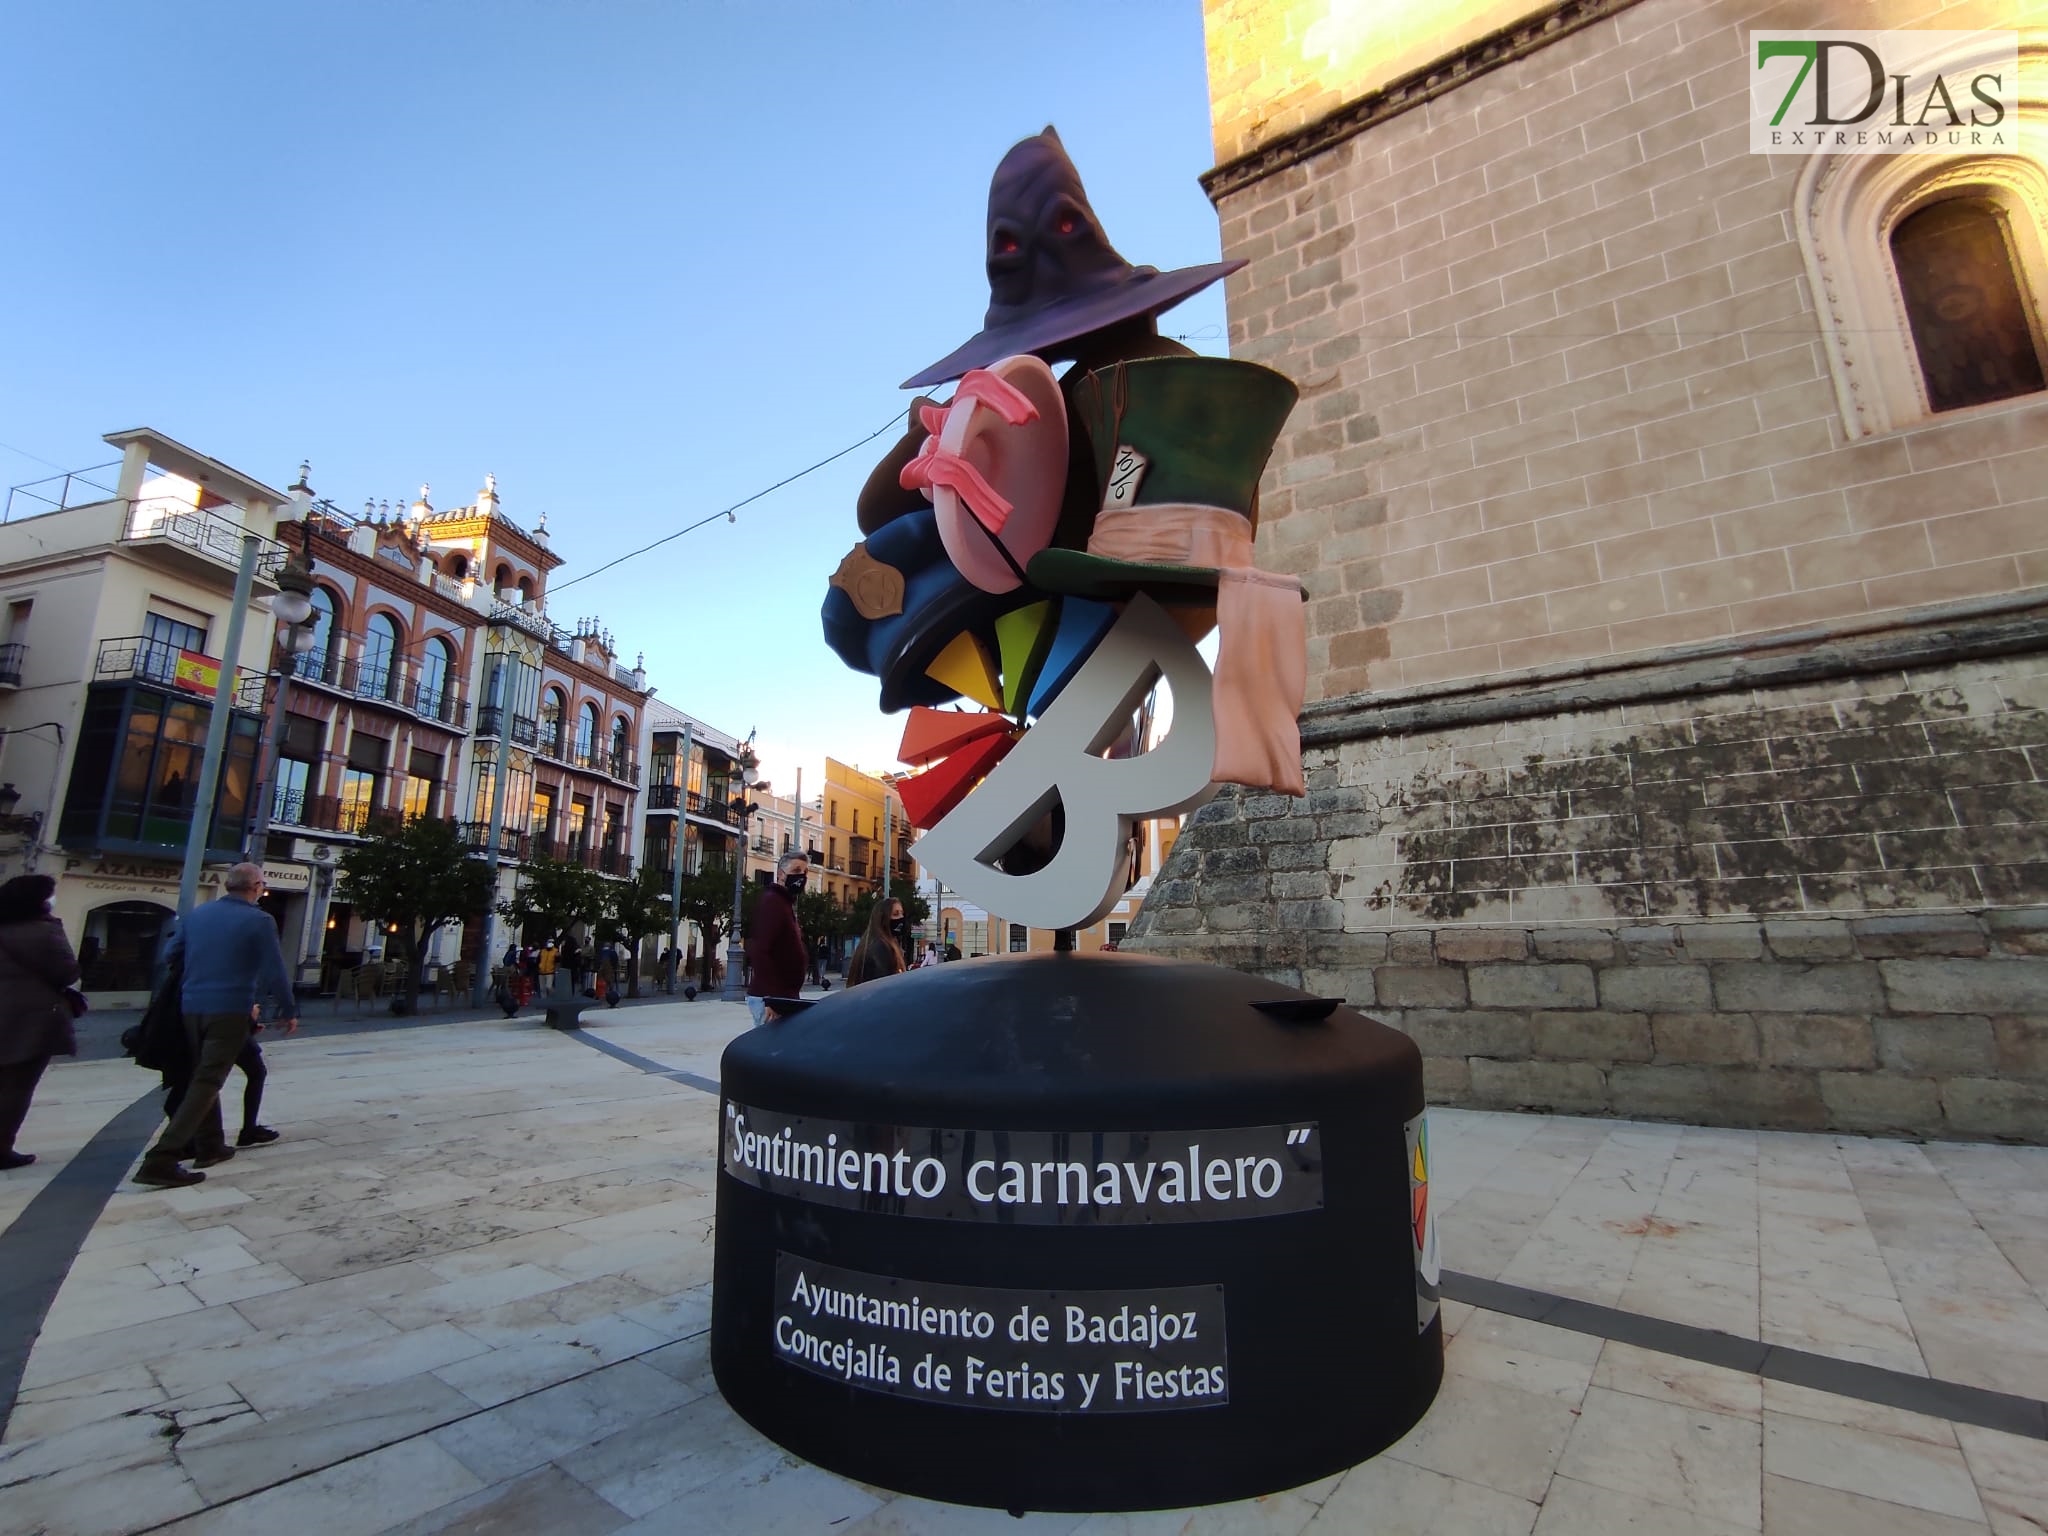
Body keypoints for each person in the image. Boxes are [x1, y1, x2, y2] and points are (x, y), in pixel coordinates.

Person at [134, 864, 297, 1189]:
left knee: (201, 1074)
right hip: (230, 1007)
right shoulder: (259, 920)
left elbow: (171, 952)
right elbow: (273, 969)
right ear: (255, 887)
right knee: (208, 1080)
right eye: (262, 885)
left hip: (191, 1005)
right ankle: (162, 1157)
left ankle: (210, 1146)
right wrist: (288, 1007)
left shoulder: (199, 915)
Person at [0, 874, 81, 1171]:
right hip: (28, 1020)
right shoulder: (42, 932)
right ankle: (2, 1147)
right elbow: (67, 971)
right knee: (16, 1087)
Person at [744, 851, 808, 1025]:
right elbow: (760, 950)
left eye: (804, 872)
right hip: (773, 1001)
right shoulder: (773, 902)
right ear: (781, 874)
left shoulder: (784, 903)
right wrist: (770, 999)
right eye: (796, 871)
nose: (801, 877)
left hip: (783, 998)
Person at [845, 898, 909, 988]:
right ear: (883, 919)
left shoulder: (873, 944)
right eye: (895, 914)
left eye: (902, 913)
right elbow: (884, 986)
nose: (901, 918)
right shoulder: (881, 948)